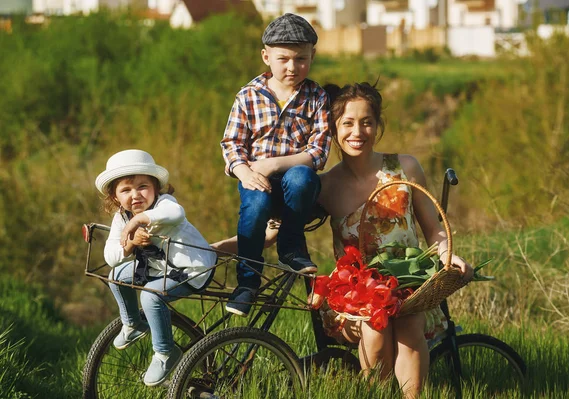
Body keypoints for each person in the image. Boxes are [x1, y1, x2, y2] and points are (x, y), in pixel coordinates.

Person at [213, 82, 474, 398]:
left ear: (377, 125)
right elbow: (271, 234)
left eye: (367, 122)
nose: (358, 131)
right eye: (347, 123)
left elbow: (434, 228)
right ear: (332, 129)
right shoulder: (325, 187)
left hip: (407, 281)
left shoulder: (404, 167)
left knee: (408, 327)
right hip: (357, 290)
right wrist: (216, 249)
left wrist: (448, 255)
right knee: (376, 328)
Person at [220, 13, 331, 317]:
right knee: (254, 209)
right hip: (257, 181)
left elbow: (319, 151)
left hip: (297, 187)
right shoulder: (248, 96)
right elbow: (232, 144)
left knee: (301, 177)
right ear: (266, 56)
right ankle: (247, 282)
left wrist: (272, 164)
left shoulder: (316, 97)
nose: (292, 67)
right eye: (283, 59)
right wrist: (244, 171)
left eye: (301, 59)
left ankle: (291, 248)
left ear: (312, 56)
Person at [95, 149, 216, 387]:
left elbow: (175, 214)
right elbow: (111, 256)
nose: (135, 195)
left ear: (156, 188)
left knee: (151, 296)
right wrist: (130, 242)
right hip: (159, 266)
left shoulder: (165, 203)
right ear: (115, 196)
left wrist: (139, 220)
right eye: (126, 190)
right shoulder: (121, 218)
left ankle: (165, 353)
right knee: (116, 275)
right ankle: (133, 323)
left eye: (143, 186)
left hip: (191, 269)